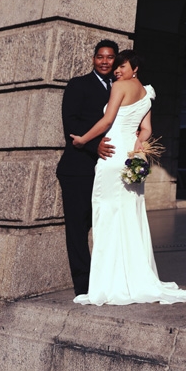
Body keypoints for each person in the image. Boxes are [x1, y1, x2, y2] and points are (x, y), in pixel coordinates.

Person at [69, 49, 186, 305]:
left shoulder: (119, 86)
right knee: (130, 215)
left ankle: (110, 282)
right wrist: (138, 149)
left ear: (135, 67)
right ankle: (134, 277)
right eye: (115, 66)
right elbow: (147, 130)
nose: (117, 70)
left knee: (107, 216)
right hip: (130, 157)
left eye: (122, 65)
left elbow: (108, 120)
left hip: (113, 154)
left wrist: (83, 139)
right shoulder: (147, 93)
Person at [56, 40, 119, 296]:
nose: (105, 61)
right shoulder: (78, 85)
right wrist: (95, 147)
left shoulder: (120, 88)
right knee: (78, 227)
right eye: (100, 57)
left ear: (116, 61)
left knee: (107, 223)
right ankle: (83, 285)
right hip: (78, 168)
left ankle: (108, 278)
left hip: (109, 170)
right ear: (93, 59)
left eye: (110, 57)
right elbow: (69, 123)